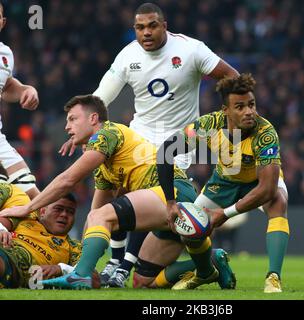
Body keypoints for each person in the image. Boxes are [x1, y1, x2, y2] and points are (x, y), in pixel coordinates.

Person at [60, 2, 239, 287]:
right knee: (116, 191)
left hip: (175, 147)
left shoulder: (191, 50)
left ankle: (124, 265)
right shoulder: (128, 55)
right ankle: (119, 264)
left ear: (164, 25)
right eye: (140, 27)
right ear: (134, 30)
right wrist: (85, 131)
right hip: (139, 137)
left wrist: (228, 118)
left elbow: (232, 76)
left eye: (152, 25)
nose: (146, 32)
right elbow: (101, 97)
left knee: (148, 203)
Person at [0, 94, 235, 290]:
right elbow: (94, 216)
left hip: (171, 192)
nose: (66, 127)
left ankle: (78, 277)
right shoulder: (105, 169)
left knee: (102, 215)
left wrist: (29, 207)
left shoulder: (107, 133)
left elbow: (68, 180)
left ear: (93, 119)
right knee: (144, 281)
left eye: (72, 119)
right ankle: (211, 263)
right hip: (167, 205)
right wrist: (81, 259)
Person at [156, 74, 289, 293]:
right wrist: (170, 202)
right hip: (224, 181)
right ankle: (205, 272)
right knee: (189, 227)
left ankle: (273, 276)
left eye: (251, 105)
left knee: (278, 202)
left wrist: (224, 214)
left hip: (257, 181)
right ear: (225, 110)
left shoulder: (265, 133)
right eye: (239, 107)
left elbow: (267, 188)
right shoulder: (208, 125)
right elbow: (165, 152)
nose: (248, 111)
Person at [0, 164, 81, 288]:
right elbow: (3, 222)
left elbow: (92, 280)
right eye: (58, 209)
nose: (64, 215)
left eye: (70, 212)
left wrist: (61, 269)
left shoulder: (73, 248)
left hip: (18, 270)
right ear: (42, 211)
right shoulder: (26, 216)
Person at [0, 2, 40, 199]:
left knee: (31, 195)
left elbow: (5, 87)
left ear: (2, 22)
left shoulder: (5, 54)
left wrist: (26, 89)